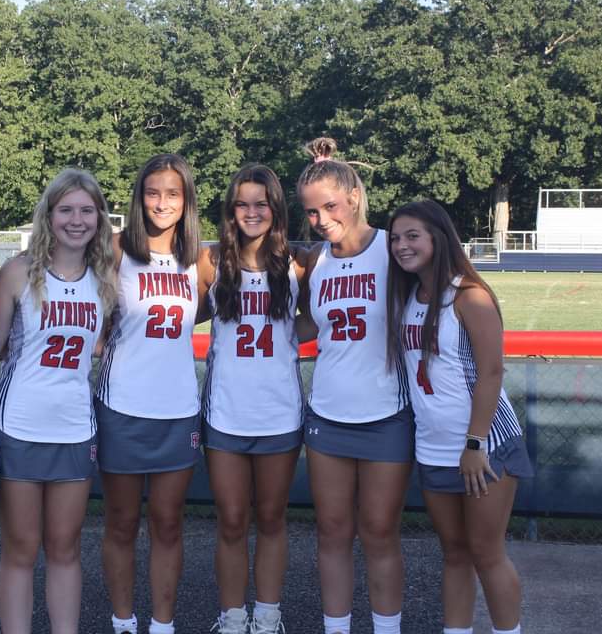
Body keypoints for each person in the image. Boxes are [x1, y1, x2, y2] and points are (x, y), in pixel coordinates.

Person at [386, 200, 533, 634]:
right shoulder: (409, 296)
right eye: (395, 238)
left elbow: (491, 372)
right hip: (433, 444)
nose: (401, 245)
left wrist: (474, 443)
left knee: (487, 553)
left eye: (412, 235)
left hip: (483, 445)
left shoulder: (469, 295)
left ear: (438, 237)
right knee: (453, 552)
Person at [0, 168, 118, 634]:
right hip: (20, 424)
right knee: (21, 549)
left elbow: (98, 346)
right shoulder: (18, 272)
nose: (77, 219)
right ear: (49, 214)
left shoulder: (104, 277)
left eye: (87, 210)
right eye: (66, 209)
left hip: (73, 427)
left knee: (64, 548)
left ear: (100, 218)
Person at [296, 154, 413, 634]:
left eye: (330, 207)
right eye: (311, 212)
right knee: (332, 533)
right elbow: (302, 324)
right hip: (328, 414)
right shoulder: (315, 262)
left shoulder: (394, 249)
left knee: (381, 534)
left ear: (355, 197)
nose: (322, 220)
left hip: (386, 413)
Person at [94, 153, 205, 634]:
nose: (162, 202)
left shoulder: (200, 258)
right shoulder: (117, 249)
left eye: (173, 193)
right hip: (122, 404)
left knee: (168, 524)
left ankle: (163, 624)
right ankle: (123, 621)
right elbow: (90, 315)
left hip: (178, 407)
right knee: (120, 523)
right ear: (140, 197)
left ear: (187, 201)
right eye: (153, 192)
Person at [196, 164, 306, 634]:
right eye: (242, 203)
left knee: (272, 518)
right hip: (226, 413)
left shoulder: (300, 261)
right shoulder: (211, 260)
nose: (251, 212)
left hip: (279, 412)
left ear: (276, 208)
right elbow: (182, 313)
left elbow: (321, 317)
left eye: (261, 203)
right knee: (232, 521)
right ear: (230, 209)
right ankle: (233, 616)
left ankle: (267, 615)